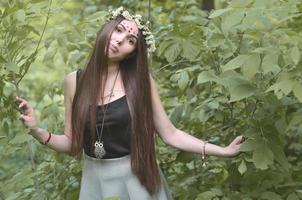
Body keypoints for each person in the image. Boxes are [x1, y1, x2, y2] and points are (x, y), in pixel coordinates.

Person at [16, 7, 243, 200]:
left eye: (130, 41)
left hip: (135, 180)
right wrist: (37, 130)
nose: (119, 40)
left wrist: (221, 150)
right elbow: (72, 144)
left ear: (133, 53)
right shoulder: (73, 82)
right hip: (94, 180)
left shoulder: (141, 83)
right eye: (119, 30)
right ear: (108, 28)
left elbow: (170, 134)